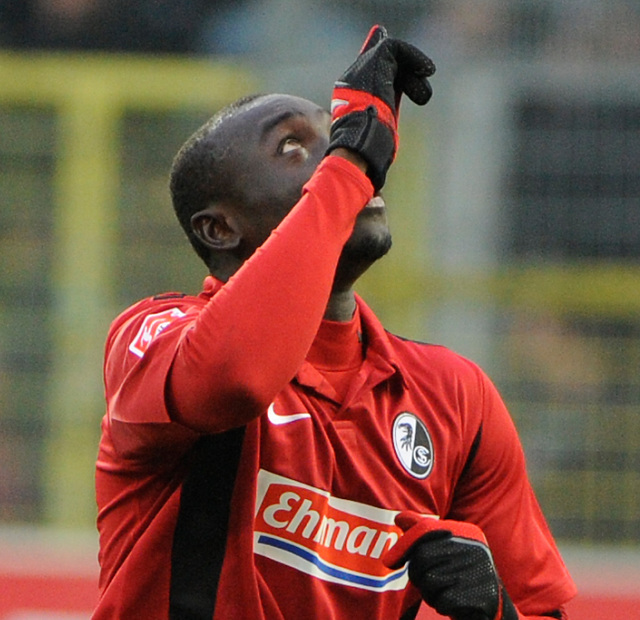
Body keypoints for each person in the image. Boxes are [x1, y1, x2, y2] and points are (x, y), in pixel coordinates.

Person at [94, 25, 576, 620]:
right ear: (219, 228)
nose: (336, 156)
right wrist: (349, 165)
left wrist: (497, 611)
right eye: (293, 147)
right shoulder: (152, 337)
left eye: (335, 134)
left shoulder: (455, 396)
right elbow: (237, 376)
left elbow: (540, 608)